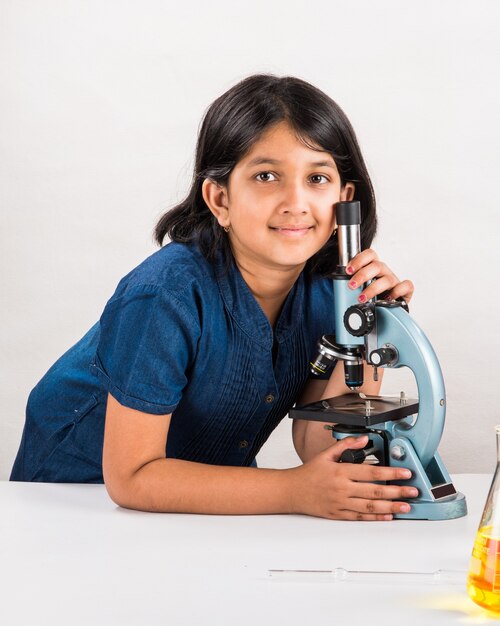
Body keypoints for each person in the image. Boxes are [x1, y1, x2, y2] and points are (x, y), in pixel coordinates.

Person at [11, 74, 416, 521]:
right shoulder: (164, 296)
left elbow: (316, 444)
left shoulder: (329, 296)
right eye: (267, 176)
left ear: (345, 199)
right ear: (219, 199)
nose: (296, 202)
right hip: (74, 503)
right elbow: (131, 478)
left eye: (317, 178)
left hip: (199, 498)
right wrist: (293, 492)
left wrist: (370, 330)